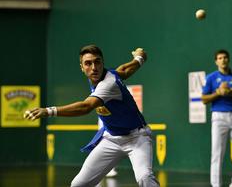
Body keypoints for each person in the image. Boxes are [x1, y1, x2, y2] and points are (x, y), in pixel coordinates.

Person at [24, 45, 160, 187]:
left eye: (97, 62)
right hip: (112, 139)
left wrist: (49, 111)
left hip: (137, 138)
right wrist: (139, 57)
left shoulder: (108, 84)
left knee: (145, 177)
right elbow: (125, 70)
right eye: (88, 63)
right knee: (78, 184)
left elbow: (86, 107)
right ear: (82, 67)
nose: (94, 67)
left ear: (102, 63)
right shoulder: (112, 74)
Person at [201, 49, 232, 187]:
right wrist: (218, 92)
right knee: (217, 154)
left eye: (225, 57)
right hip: (218, 117)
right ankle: (216, 185)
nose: (223, 60)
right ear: (216, 61)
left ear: (228, 59)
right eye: (220, 58)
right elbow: (204, 99)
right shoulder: (210, 78)